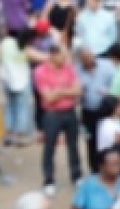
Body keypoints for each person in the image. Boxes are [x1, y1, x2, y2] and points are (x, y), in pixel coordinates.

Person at [34, 41, 84, 195]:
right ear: (53, 55)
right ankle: (49, 179)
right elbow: (48, 97)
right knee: (49, 146)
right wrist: (67, 91)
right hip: (51, 114)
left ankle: (76, 175)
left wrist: (59, 91)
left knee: (73, 145)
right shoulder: (40, 71)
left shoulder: (69, 69)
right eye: (63, 55)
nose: (66, 58)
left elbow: (78, 91)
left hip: (70, 111)